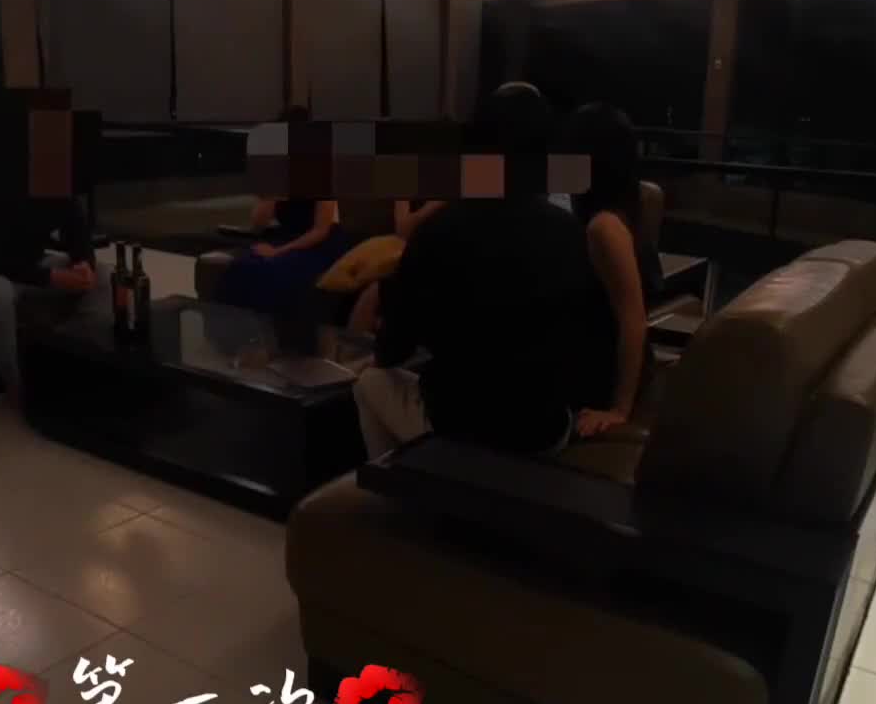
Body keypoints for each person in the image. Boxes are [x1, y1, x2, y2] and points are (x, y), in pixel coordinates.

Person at [355, 82, 616, 458]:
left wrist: (384, 356)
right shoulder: (572, 232)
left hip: (458, 424)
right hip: (545, 430)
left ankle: (397, 485)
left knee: (370, 382)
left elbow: (396, 342)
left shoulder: (438, 230)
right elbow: (590, 334)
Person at [564, 103, 664, 437]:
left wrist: (619, 409)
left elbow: (633, 321)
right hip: (606, 363)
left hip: (603, 378)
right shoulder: (630, 204)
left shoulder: (604, 226)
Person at [0, 191, 95, 399]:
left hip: (29, 264)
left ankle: (84, 367)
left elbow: (78, 232)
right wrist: (51, 277)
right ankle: (18, 388)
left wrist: (84, 265)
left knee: (102, 277)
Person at [216, 197, 348, 314]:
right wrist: (271, 198)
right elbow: (258, 225)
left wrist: (279, 251)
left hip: (319, 243)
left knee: (275, 270)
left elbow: (320, 231)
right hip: (286, 237)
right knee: (242, 266)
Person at [345, 199, 446, 333]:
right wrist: (431, 207)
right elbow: (402, 230)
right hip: (412, 254)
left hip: (446, 256)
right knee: (370, 297)